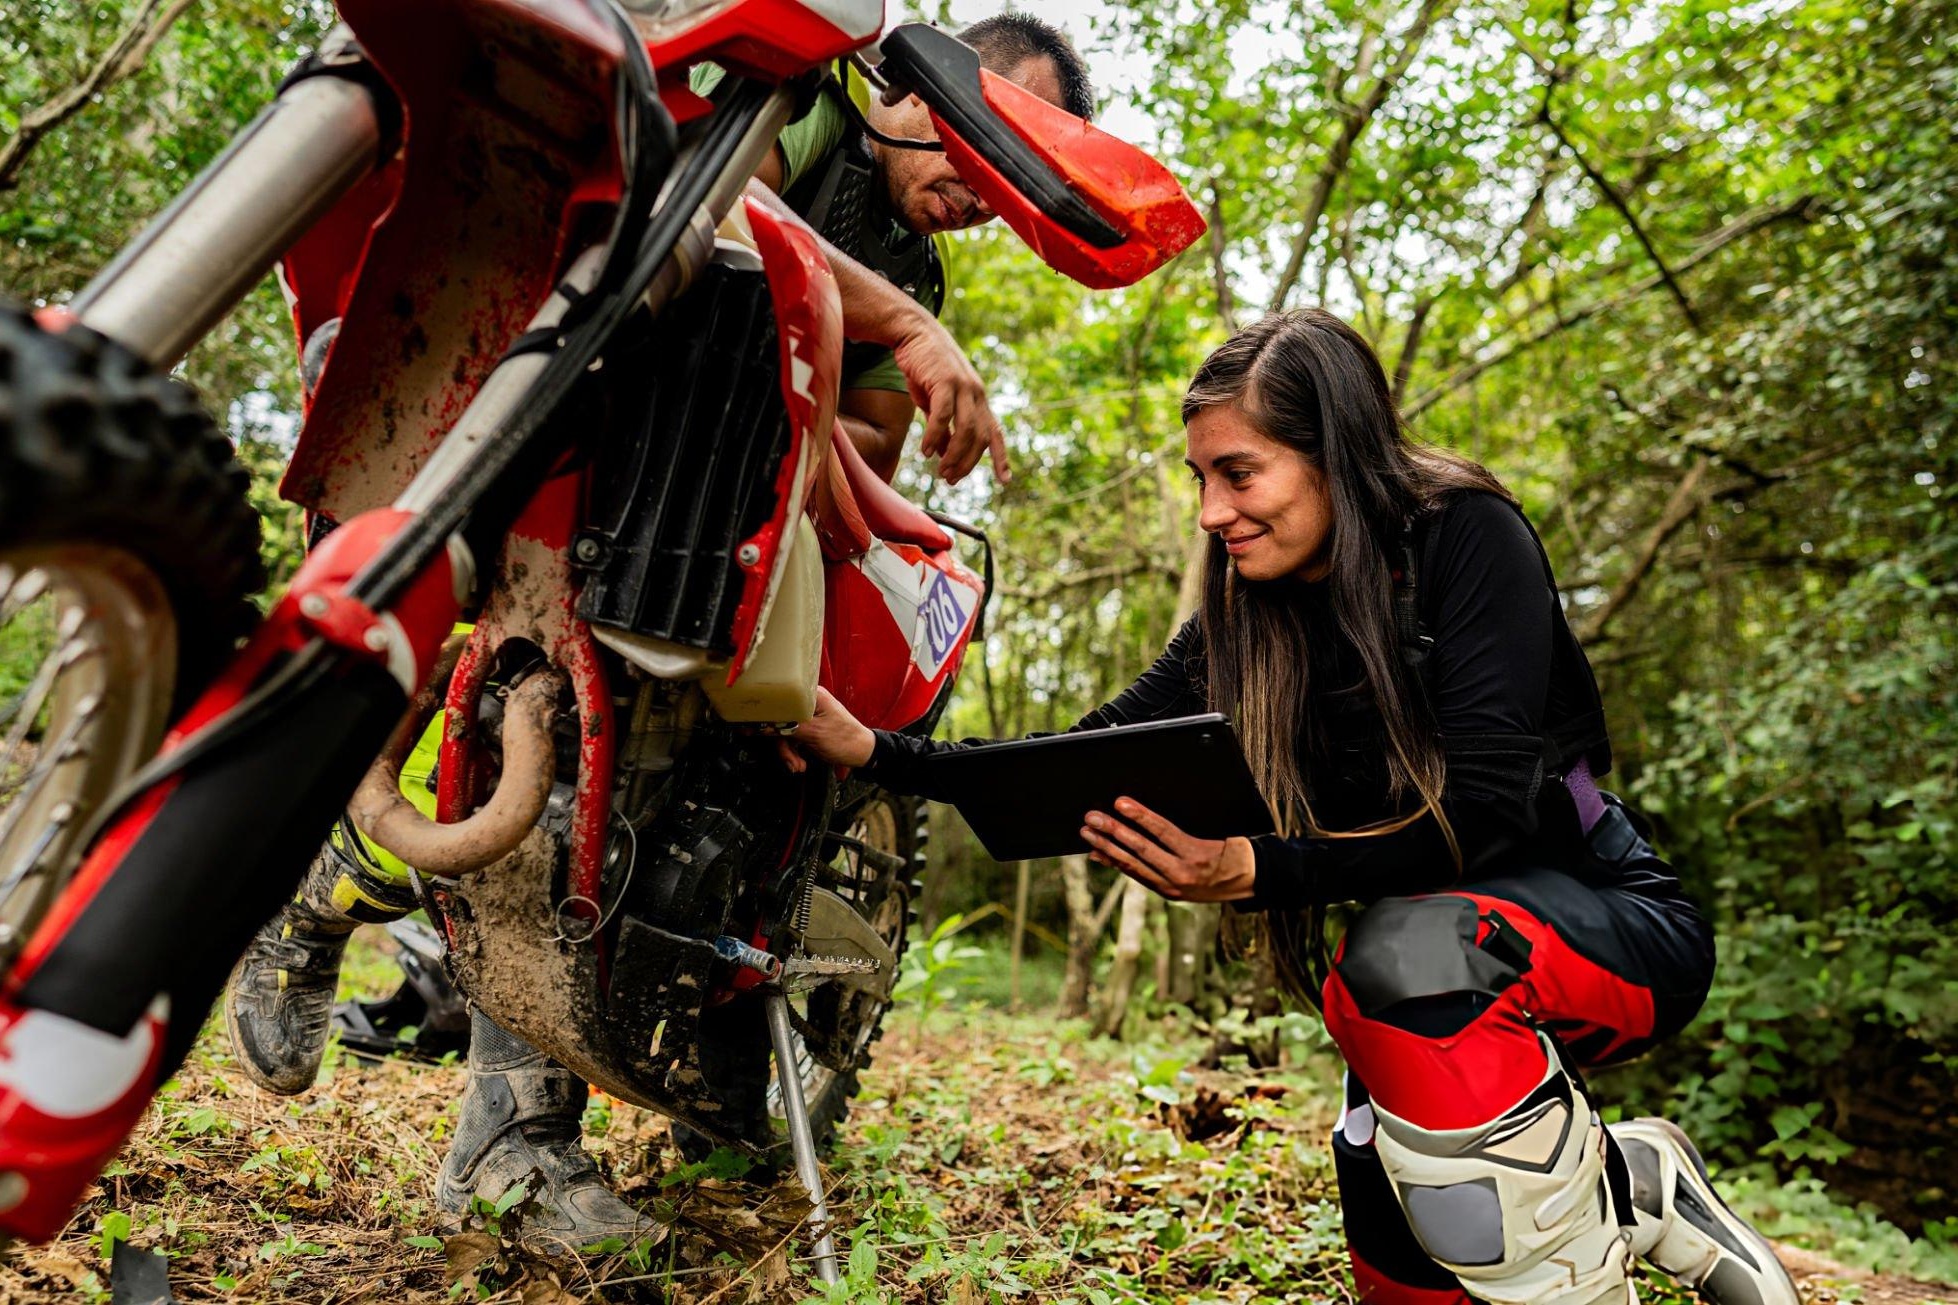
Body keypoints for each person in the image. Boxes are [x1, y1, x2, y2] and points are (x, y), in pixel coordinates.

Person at [224, 15, 1099, 1250]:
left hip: (685, 536)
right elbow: (704, 207)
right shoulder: (800, 106)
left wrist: (875, 417)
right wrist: (894, 325)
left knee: (606, 798)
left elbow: (859, 455)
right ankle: (314, 894)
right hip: (543, 435)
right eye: (986, 140)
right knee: (435, 703)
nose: (983, 190)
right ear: (929, 90)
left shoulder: (919, 266)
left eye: (1014, 182)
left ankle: (512, 1134)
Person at [784, 310, 1801, 1305]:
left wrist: (1258, 867)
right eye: (1200, 479)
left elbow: (1485, 812)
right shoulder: (1240, 617)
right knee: (1419, 1221)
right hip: (1423, 975)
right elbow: (1080, 761)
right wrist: (879, 752)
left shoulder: (1462, 535)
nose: (1210, 513)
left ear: (1334, 457)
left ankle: (1594, 1229)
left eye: (1238, 474)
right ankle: (1634, 1185)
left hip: (1605, 923)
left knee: (1401, 967)